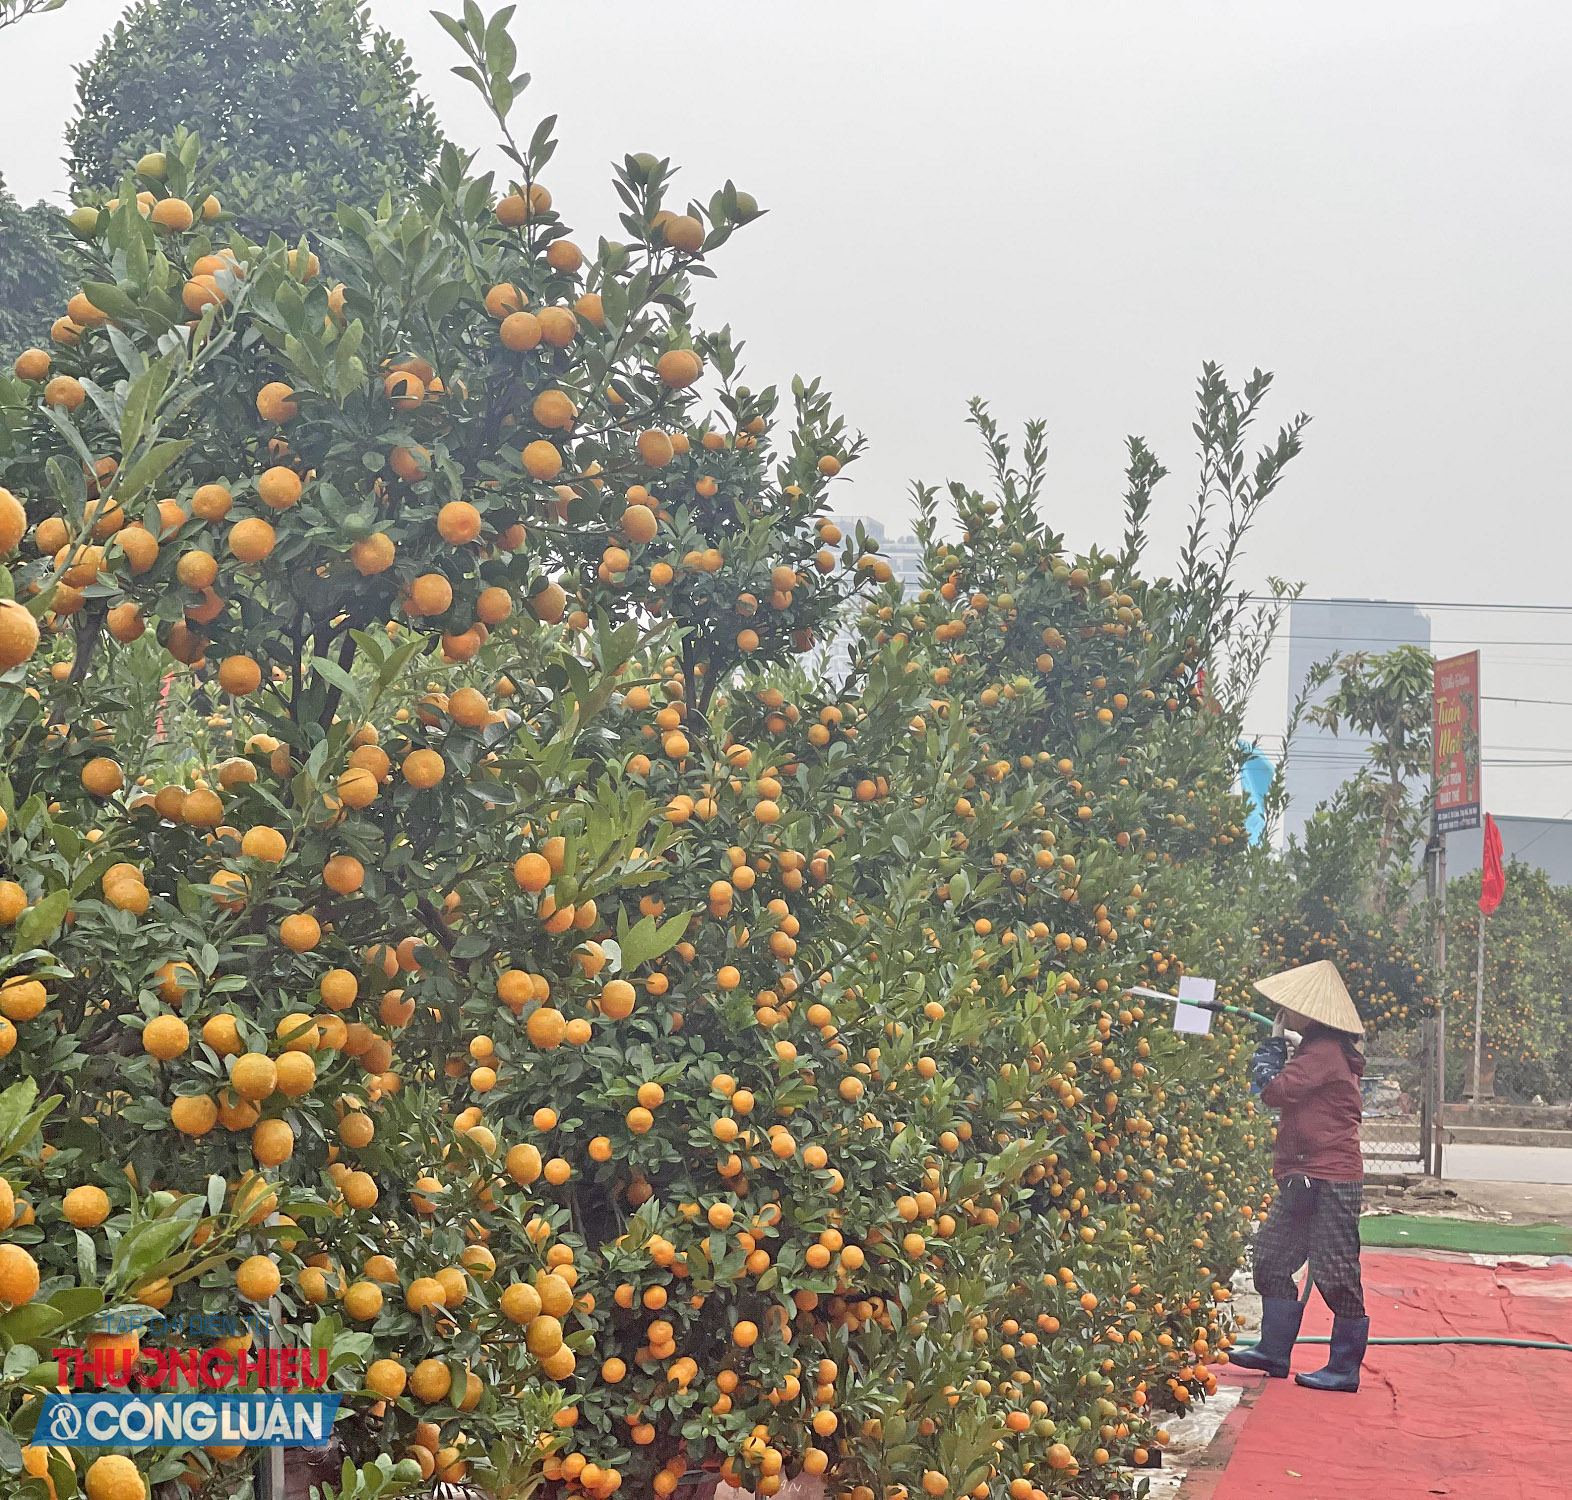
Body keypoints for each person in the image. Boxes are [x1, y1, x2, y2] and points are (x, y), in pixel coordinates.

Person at [1229, 959, 1369, 1392]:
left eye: (1290, 1008)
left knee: (1335, 1272)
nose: (1283, 1012)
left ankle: (1344, 1368)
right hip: (1299, 1176)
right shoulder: (1316, 1048)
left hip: (1329, 1178)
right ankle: (1274, 1351)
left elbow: (1272, 1091)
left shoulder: (1324, 1051)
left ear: (1312, 1012)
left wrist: (1271, 1048)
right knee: (1271, 1260)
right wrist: (1290, 1045)